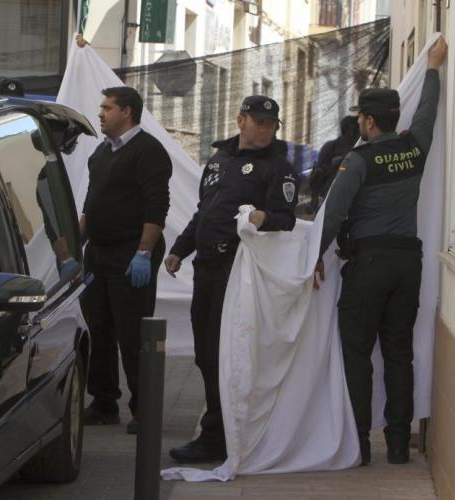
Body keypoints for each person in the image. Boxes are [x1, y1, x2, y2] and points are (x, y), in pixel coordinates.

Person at [315, 36, 448, 466]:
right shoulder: (415, 147)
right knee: (398, 353)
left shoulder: (358, 160)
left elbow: (334, 213)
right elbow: (427, 111)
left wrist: (313, 256)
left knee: (357, 353)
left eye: (360, 117)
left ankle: (358, 443)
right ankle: (397, 445)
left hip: (368, 264)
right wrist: (433, 68)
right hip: (408, 263)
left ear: (370, 121)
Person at [165, 95, 299, 463]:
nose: (266, 130)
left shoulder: (278, 168)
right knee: (206, 354)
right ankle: (218, 429)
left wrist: (264, 218)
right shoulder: (219, 160)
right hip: (206, 267)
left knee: (224, 353)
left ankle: (219, 435)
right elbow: (203, 212)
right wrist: (180, 249)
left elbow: (286, 218)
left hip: (238, 271)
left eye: (271, 125)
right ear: (241, 121)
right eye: (259, 122)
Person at [80, 86, 172, 434]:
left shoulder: (148, 151)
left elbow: (156, 207)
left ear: (127, 112)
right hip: (99, 252)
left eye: (107, 108)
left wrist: (144, 253)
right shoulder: (102, 152)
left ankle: (144, 408)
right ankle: (104, 402)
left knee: (132, 332)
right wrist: (73, 247)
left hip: (131, 251)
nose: (100, 113)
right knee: (98, 328)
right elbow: (91, 205)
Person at [309, 115, 359, 212]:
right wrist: (314, 200)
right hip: (330, 197)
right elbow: (317, 175)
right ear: (350, 131)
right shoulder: (331, 147)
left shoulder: (359, 148)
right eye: (356, 129)